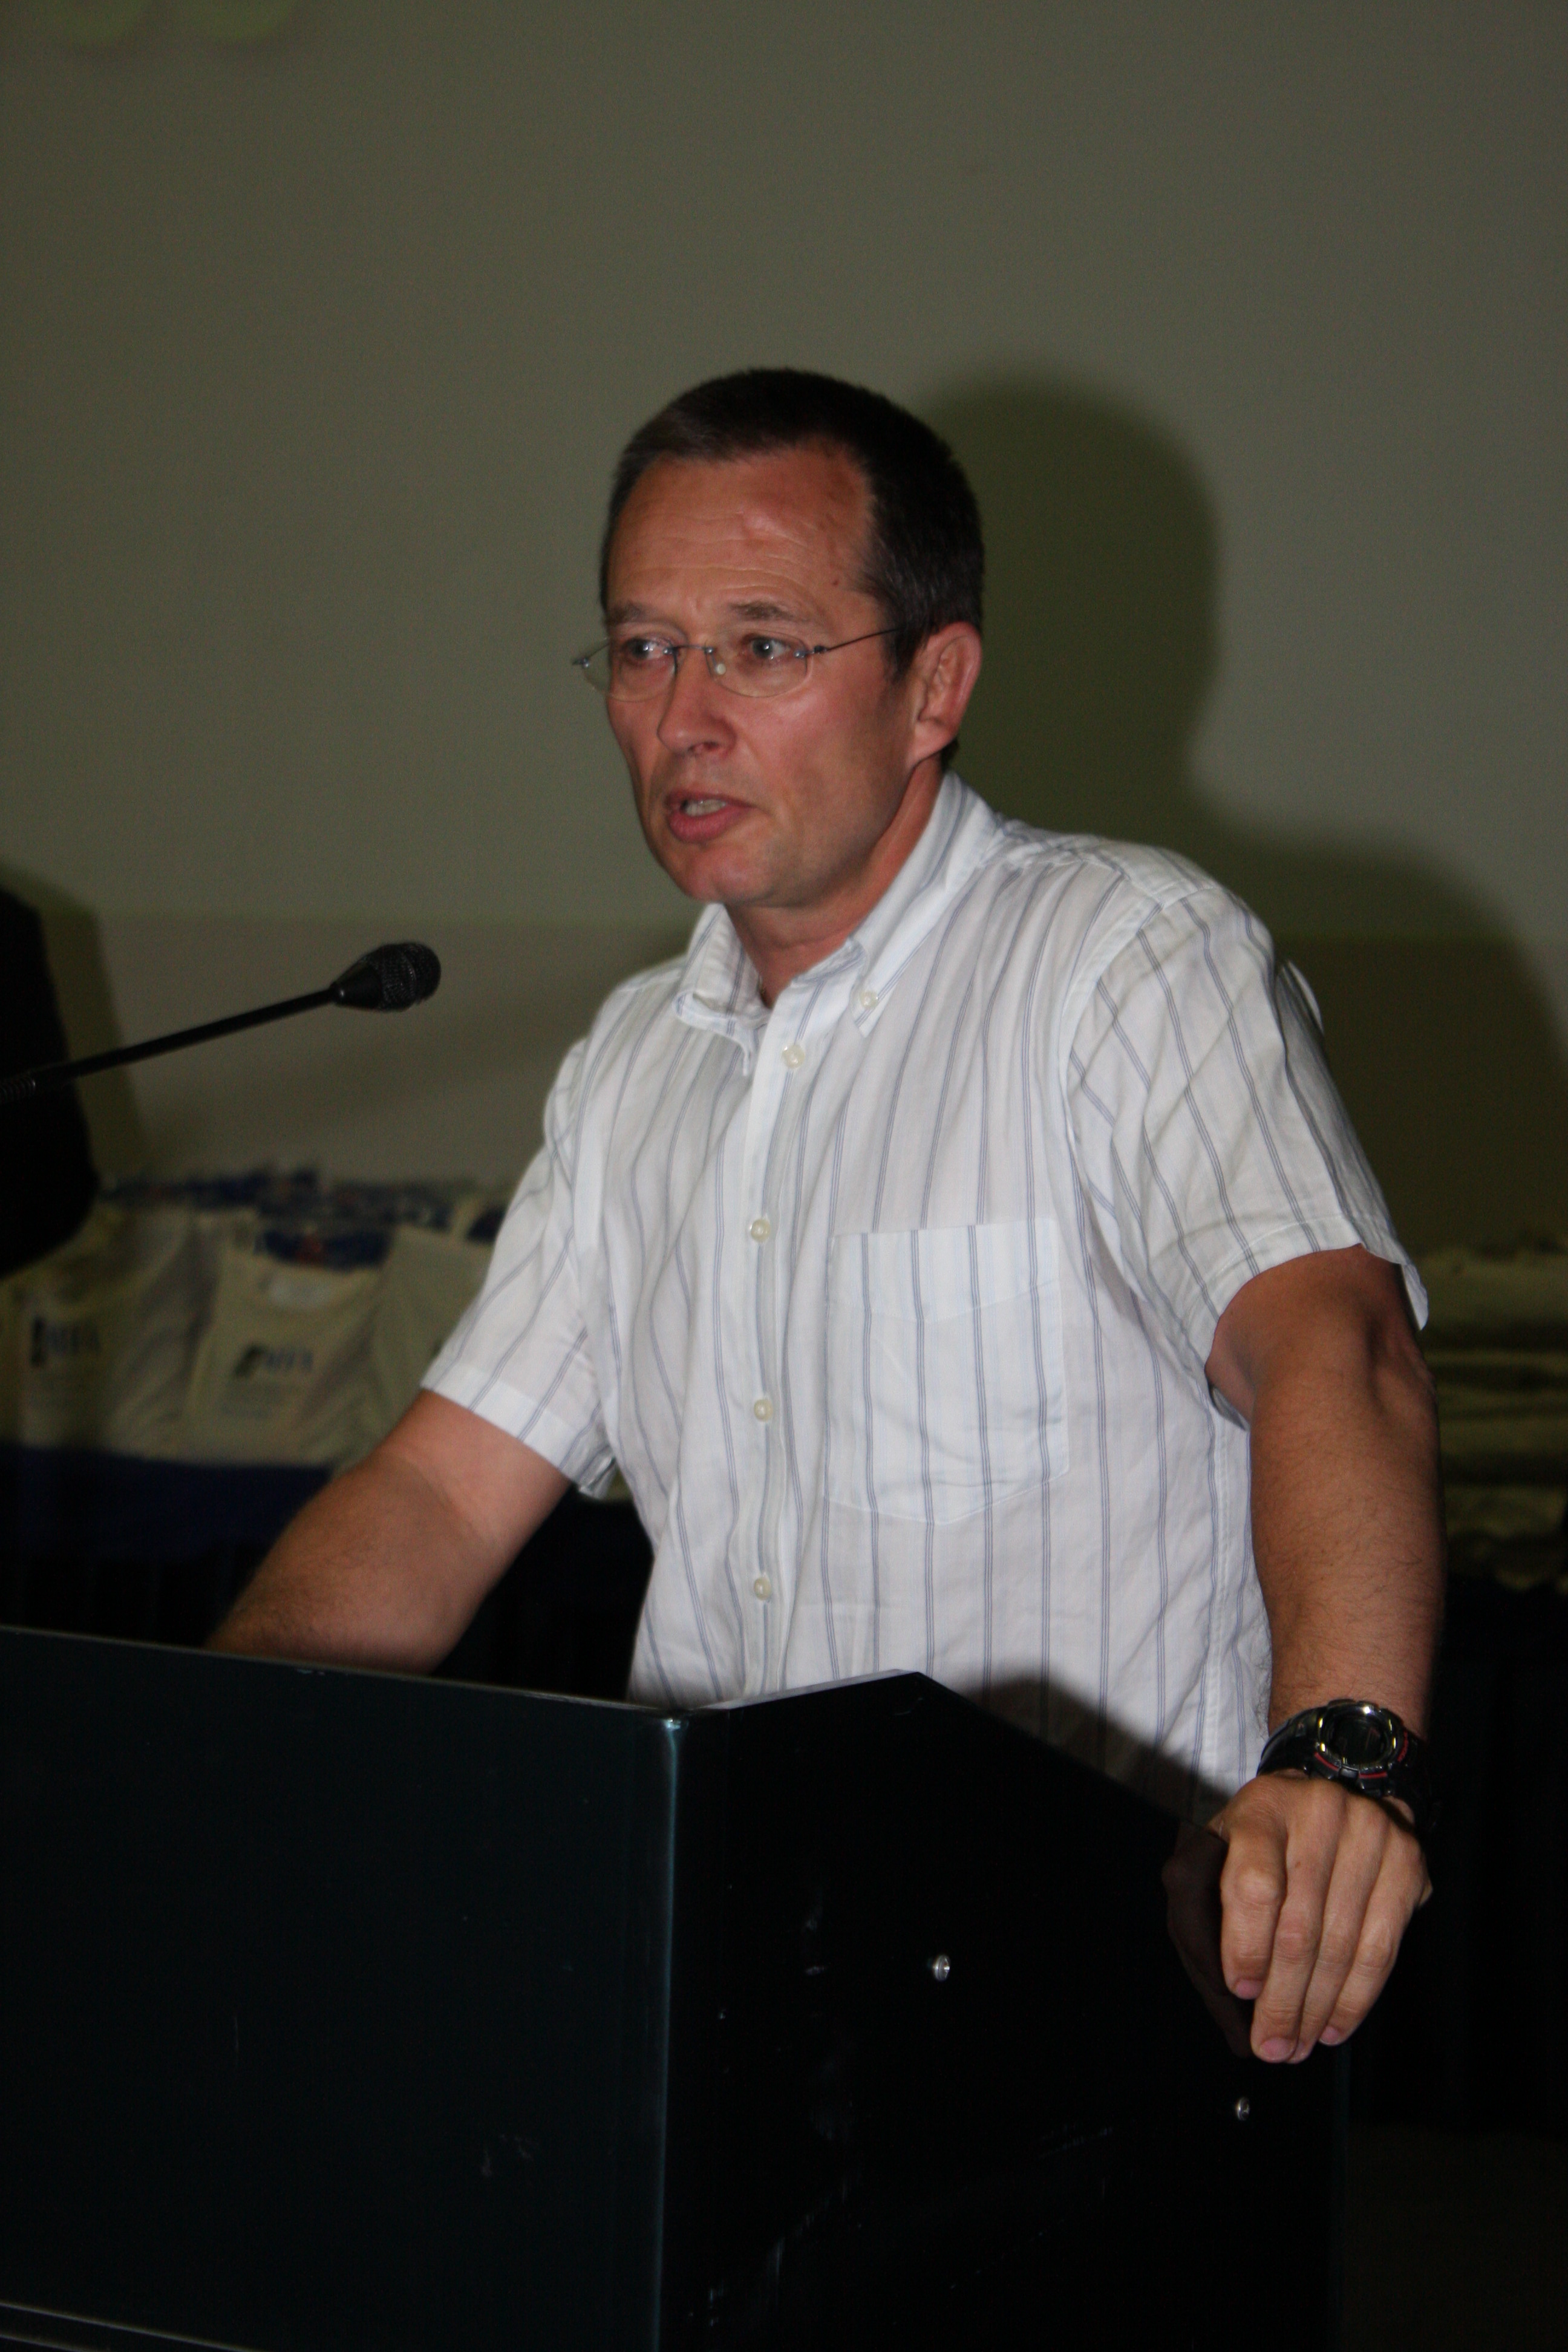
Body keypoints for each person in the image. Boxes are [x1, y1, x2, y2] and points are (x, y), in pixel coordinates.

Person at [212, 369, 1444, 2069]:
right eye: (643, 648)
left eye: (762, 648)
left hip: (1085, 1998)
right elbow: (436, 1492)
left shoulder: (1123, 961)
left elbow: (1334, 1347)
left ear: (935, 684)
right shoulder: (639, 1060)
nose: (685, 718)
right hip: (725, 1981)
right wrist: (210, 1748)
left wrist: (1343, 1758)